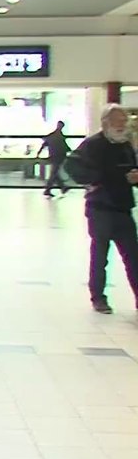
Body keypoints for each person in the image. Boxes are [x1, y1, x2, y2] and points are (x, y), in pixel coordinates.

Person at [64, 104, 138, 314]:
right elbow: (71, 166)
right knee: (100, 255)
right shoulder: (93, 144)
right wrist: (93, 180)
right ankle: (98, 297)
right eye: (118, 121)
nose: (122, 125)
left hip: (123, 207)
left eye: (124, 121)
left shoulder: (125, 145)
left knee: (133, 256)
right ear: (106, 123)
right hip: (100, 208)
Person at [38, 120, 72, 198]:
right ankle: (48, 190)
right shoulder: (59, 136)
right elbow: (65, 147)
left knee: (54, 173)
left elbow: (45, 143)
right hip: (58, 156)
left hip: (53, 156)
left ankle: (63, 187)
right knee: (54, 173)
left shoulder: (53, 135)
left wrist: (39, 153)